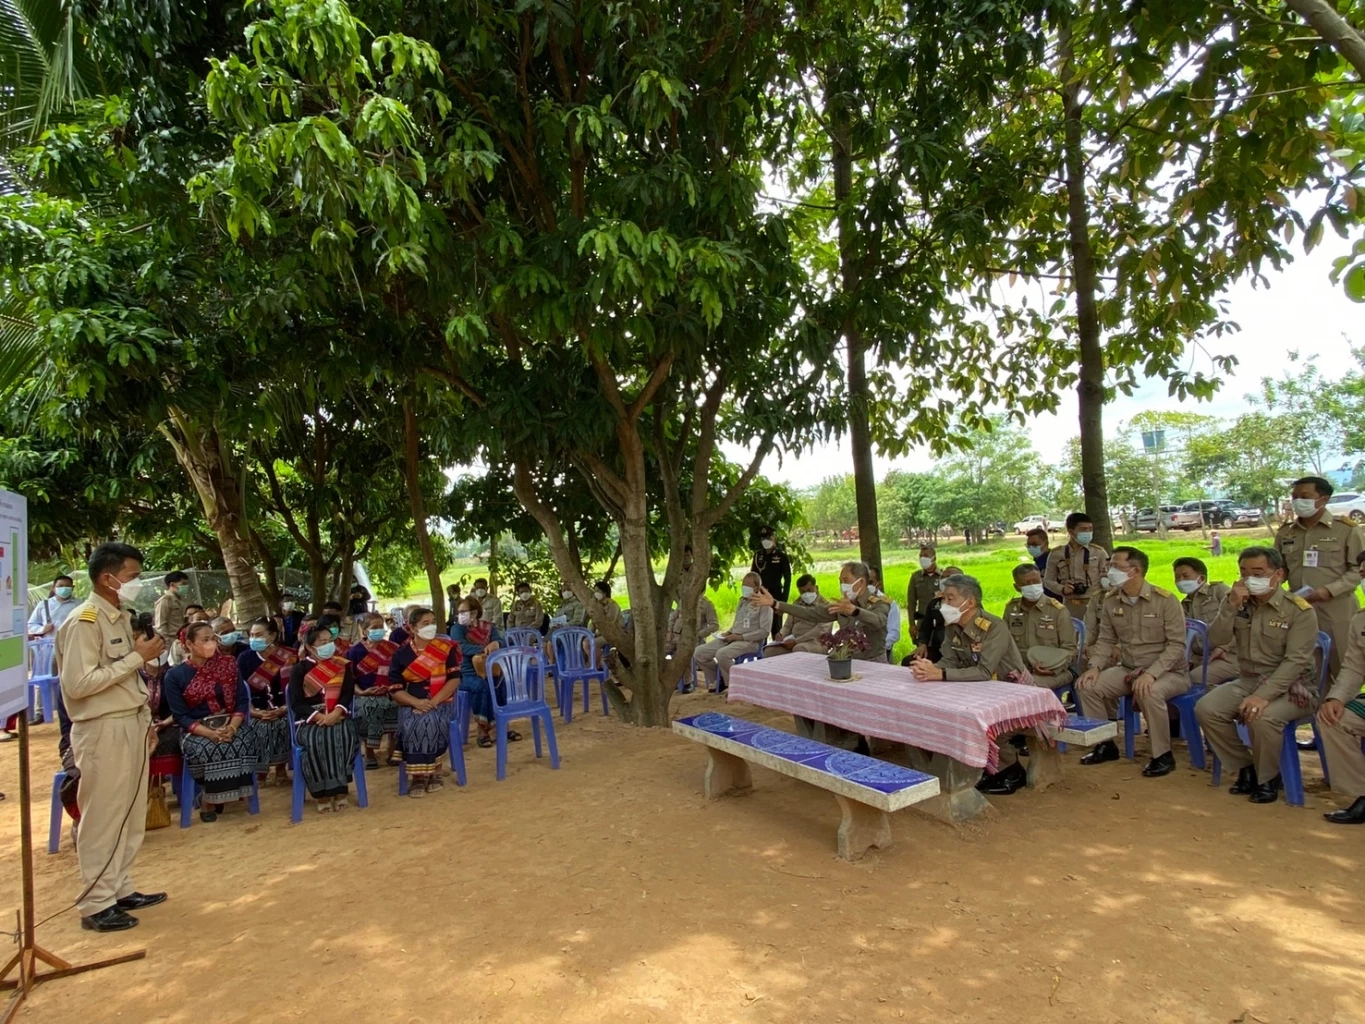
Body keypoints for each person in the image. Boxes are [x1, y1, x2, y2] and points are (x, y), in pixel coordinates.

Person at [54, 542, 167, 933]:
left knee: (131, 810)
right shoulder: (84, 621)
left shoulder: (119, 616)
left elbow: (121, 672)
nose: (137, 583)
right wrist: (137, 658)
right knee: (103, 814)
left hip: (130, 720)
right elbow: (79, 683)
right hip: (102, 727)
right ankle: (95, 903)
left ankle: (120, 887)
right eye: (133, 576)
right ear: (108, 578)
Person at [1195, 546, 1320, 804]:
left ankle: (1269, 778)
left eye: (1258, 572)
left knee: (1262, 717)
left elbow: (1295, 661)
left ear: (1278, 574)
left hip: (1293, 687)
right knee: (1206, 708)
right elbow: (1215, 639)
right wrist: (1230, 606)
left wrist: (1263, 696)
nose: (1250, 578)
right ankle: (1245, 767)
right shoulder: (1238, 603)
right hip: (1248, 679)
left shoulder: (1299, 610)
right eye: (1244, 572)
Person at [909, 574, 1032, 795]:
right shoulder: (953, 625)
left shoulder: (994, 626)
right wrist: (929, 667)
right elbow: (949, 660)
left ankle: (1012, 771)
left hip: (1009, 690)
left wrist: (940, 673)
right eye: (943, 599)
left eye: (950, 598)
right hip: (974, 689)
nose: (944, 604)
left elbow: (984, 671)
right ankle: (974, 766)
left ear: (971, 602)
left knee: (983, 725)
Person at [1073, 546, 1189, 778]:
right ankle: (1104, 744)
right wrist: (1094, 667)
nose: (1110, 571)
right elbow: (1106, 639)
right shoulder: (1111, 600)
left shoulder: (1165, 600)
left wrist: (1152, 673)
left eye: (1116, 566)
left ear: (1134, 571)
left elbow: (1177, 645)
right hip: (1128, 668)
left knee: (1149, 691)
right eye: (1110, 566)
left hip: (1168, 672)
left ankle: (1162, 755)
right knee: (1086, 686)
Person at [164, 622, 261, 823]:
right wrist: (210, 733)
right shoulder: (174, 676)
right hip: (197, 729)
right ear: (190, 644)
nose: (212, 643)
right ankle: (209, 799)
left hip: (230, 722)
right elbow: (181, 716)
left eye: (213, 638)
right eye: (205, 640)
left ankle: (224, 795)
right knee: (208, 747)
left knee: (243, 740)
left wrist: (233, 727)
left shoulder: (228, 664)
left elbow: (241, 702)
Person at [1274, 475, 1363, 686]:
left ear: (1323, 499)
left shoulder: (1347, 530)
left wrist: (1328, 591)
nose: (1297, 502)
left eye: (1304, 496)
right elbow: (1279, 570)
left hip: (1337, 610)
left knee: (1345, 669)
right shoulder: (1286, 533)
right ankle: (1319, 714)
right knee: (1311, 672)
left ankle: (1348, 715)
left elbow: (1358, 570)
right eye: (1294, 497)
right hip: (1300, 610)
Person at [288, 625, 361, 813]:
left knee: (343, 736)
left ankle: (340, 791)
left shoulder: (342, 666)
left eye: (330, 640)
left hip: (338, 715)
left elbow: (347, 694)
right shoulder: (299, 669)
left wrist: (336, 713)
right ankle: (322, 794)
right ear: (311, 647)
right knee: (317, 740)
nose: (329, 645)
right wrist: (320, 717)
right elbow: (296, 703)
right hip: (310, 719)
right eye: (323, 642)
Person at [756, 561, 889, 661]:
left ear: (861, 583)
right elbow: (811, 613)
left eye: (845, 580)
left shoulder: (880, 602)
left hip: (873, 661)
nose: (842, 586)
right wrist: (775, 603)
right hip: (848, 660)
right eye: (840, 581)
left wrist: (855, 611)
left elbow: (878, 621)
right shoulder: (841, 606)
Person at [1316, 550, 1365, 823]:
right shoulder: (1361, 620)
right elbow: (1354, 668)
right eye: (1363, 575)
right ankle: (1361, 795)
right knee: (1332, 719)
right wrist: (1334, 698)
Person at [390, 607, 460, 791]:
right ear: (413, 628)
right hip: (411, 703)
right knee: (412, 723)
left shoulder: (445, 649)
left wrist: (433, 702)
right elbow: (395, 689)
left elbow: (454, 679)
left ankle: (436, 770)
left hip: (441, 702)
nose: (431, 627)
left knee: (432, 720)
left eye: (433, 622)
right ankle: (418, 776)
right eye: (425, 623)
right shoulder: (401, 654)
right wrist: (416, 702)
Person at [237, 617, 294, 786]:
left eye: (259, 635)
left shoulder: (289, 656)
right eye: (252, 635)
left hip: (283, 708)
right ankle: (261, 772)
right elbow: (240, 690)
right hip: (255, 709)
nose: (254, 639)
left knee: (282, 725)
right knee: (258, 727)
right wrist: (254, 711)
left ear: (272, 636)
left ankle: (280, 769)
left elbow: (296, 690)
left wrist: (283, 709)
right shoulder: (244, 658)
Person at [1002, 564, 1079, 689]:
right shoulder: (1011, 609)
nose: (1033, 586)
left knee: (1027, 686)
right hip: (1021, 667)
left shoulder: (1057, 610)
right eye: (1027, 583)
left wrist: (1053, 668)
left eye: (1036, 581)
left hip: (1055, 670)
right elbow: (1004, 643)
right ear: (1017, 587)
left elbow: (1070, 649)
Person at [693, 572, 773, 691]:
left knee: (722, 654)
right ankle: (718, 678)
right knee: (699, 652)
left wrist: (740, 637)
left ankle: (735, 685)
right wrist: (728, 633)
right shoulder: (742, 601)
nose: (744, 587)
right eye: (743, 584)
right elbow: (737, 623)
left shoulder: (765, 606)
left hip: (749, 642)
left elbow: (764, 632)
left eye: (747, 585)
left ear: (756, 588)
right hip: (731, 638)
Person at [449, 598, 511, 748]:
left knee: (500, 683)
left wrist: (496, 643)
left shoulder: (488, 627)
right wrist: (485, 649)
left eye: (463, 612)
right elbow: (461, 648)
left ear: (474, 613)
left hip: (489, 669)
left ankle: (502, 726)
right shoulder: (457, 629)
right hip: (465, 674)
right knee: (480, 685)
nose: (460, 615)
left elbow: (501, 642)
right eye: (459, 613)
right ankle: (482, 730)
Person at [1172, 556, 1238, 688]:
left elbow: (1240, 621)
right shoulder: (1183, 605)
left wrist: (1223, 647)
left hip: (1227, 654)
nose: (1180, 581)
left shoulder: (1219, 591)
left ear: (1201, 578)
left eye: (1185, 576)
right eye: (1177, 577)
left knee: (1196, 678)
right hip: (1199, 657)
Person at [347, 611, 401, 768]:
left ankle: (393, 751)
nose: (379, 630)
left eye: (381, 626)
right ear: (364, 631)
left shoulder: (393, 648)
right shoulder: (355, 652)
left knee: (400, 706)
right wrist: (362, 692)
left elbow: (400, 673)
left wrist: (393, 688)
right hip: (364, 694)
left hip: (391, 691)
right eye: (374, 627)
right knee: (369, 707)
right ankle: (370, 753)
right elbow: (349, 680)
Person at [1044, 512, 1110, 619]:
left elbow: (1108, 576)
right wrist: (1062, 589)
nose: (1088, 532)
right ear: (1071, 532)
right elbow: (1048, 581)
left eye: (1090, 529)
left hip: (1095, 605)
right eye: (1083, 529)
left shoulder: (1099, 552)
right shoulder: (1057, 553)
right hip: (1070, 606)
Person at [763, 575, 827, 657]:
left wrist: (797, 641)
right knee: (770, 650)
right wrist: (781, 634)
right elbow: (788, 625)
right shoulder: (797, 604)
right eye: (803, 592)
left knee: (800, 649)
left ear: (816, 587)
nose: (806, 594)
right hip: (793, 639)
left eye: (809, 590)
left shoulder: (825, 606)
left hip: (815, 641)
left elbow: (820, 631)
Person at [751, 526, 792, 639]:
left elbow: (787, 579)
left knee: (776, 628)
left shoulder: (781, 555)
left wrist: (783, 601)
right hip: (761, 596)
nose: (766, 541)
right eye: (763, 539)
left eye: (769, 538)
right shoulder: (758, 555)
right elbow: (753, 576)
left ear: (774, 538)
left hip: (776, 596)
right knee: (760, 627)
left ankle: (777, 650)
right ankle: (762, 653)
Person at [906, 544, 942, 645]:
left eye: (926, 556)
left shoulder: (943, 576)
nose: (922, 559)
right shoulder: (916, 577)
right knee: (922, 649)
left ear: (934, 558)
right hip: (922, 622)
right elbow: (911, 603)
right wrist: (912, 624)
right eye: (920, 556)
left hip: (940, 622)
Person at [28, 573, 81, 638]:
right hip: (49, 645)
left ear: (72, 588)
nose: (64, 588)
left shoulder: (80, 605)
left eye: (67, 586)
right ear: (53, 588)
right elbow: (31, 624)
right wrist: (42, 629)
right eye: (60, 586)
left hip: (71, 643)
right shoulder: (44, 605)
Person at [152, 571, 190, 644]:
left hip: (182, 640)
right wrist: (167, 645)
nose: (186, 587)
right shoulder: (165, 601)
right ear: (172, 584)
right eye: (183, 584)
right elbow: (160, 626)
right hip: (171, 641)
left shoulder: (181, 601)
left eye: (187, 584)